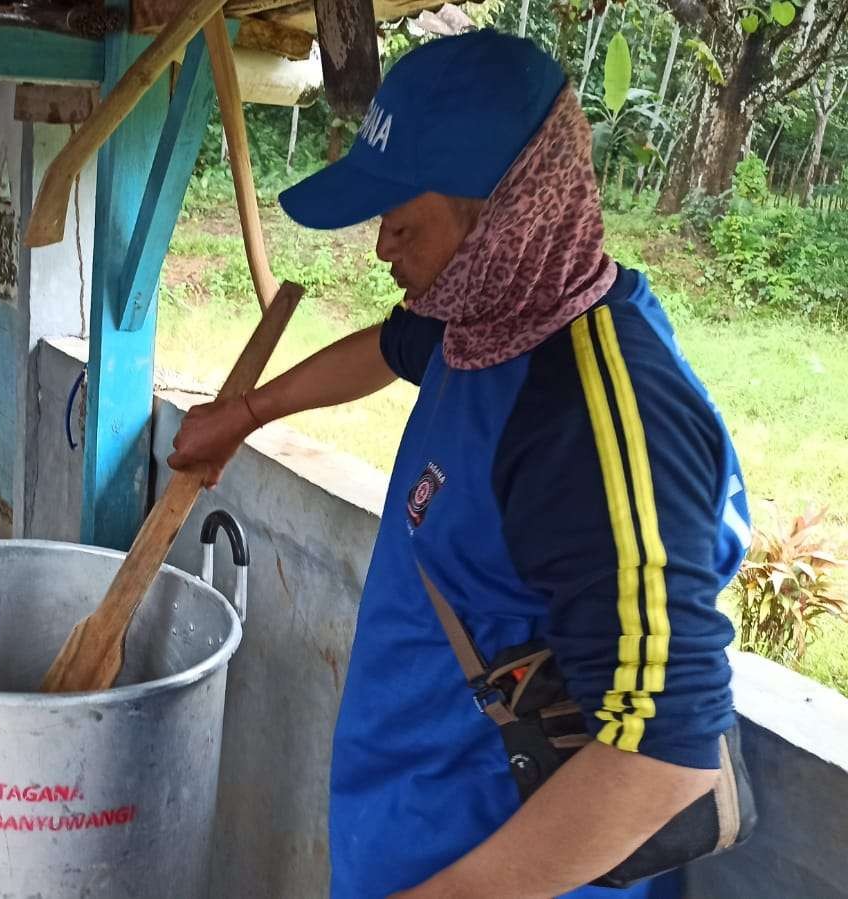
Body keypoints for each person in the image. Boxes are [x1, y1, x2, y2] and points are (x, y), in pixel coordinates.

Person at [168, 31, 750, 899]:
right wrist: (248, 414)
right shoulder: (487, 319)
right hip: (415, 833)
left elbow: (664, 757)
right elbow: (391, 346)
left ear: (506, 206)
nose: (379, 251)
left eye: (400, 224)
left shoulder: (586, 419)